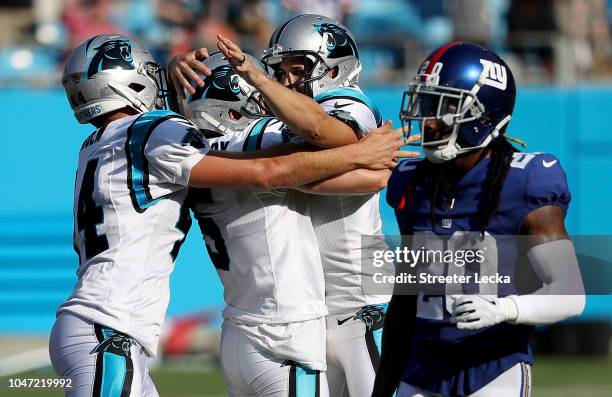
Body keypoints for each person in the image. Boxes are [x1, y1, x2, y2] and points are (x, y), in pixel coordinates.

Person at [48, 33, 411, 397]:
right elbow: (284, 167)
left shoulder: (104, 143)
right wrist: (362, 154)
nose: (268, 106)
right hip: (278, 334)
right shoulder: (200, 135)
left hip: (231, 331)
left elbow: (203, 143)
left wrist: (180, 83)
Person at [170, 15, 399, 397]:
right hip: (316, 316)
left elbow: (322, 133)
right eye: (280, 71)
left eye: (298, 69)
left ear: (334, 66)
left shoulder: (345, 101)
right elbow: (353, 171)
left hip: (362, 305)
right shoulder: (264, 132)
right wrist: (357, 158)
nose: (286, 80)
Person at [374, 42, 585, 397]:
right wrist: (382, 388)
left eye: (444, 108)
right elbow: (405, 298)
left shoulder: (526, 181)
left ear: (483, 115)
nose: (428, 120)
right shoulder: (413, 180)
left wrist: (505, 308)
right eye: (426, 105)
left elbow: (570, 293)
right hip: (421, 367)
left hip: (492, 366)